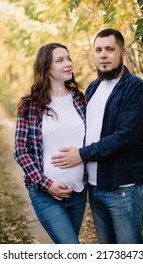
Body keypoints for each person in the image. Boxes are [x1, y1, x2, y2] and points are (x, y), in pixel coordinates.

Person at [51, 29, 143, 244]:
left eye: (109, 49)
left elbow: (126, 136)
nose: (103, 54)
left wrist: (82, 155)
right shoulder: (94, 87)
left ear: (122, 51)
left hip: (122, 189)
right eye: (98, 50)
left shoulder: (135, 88)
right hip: (95, 189)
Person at [14, 43, 87, 244]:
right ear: (46, 67)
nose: (68, 64)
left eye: (69, 58)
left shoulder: (80, 100)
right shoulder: (31, 105)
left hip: (78, 192)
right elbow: (20, 150)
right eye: (60, 60)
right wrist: (47, 184)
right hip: (45, 194)